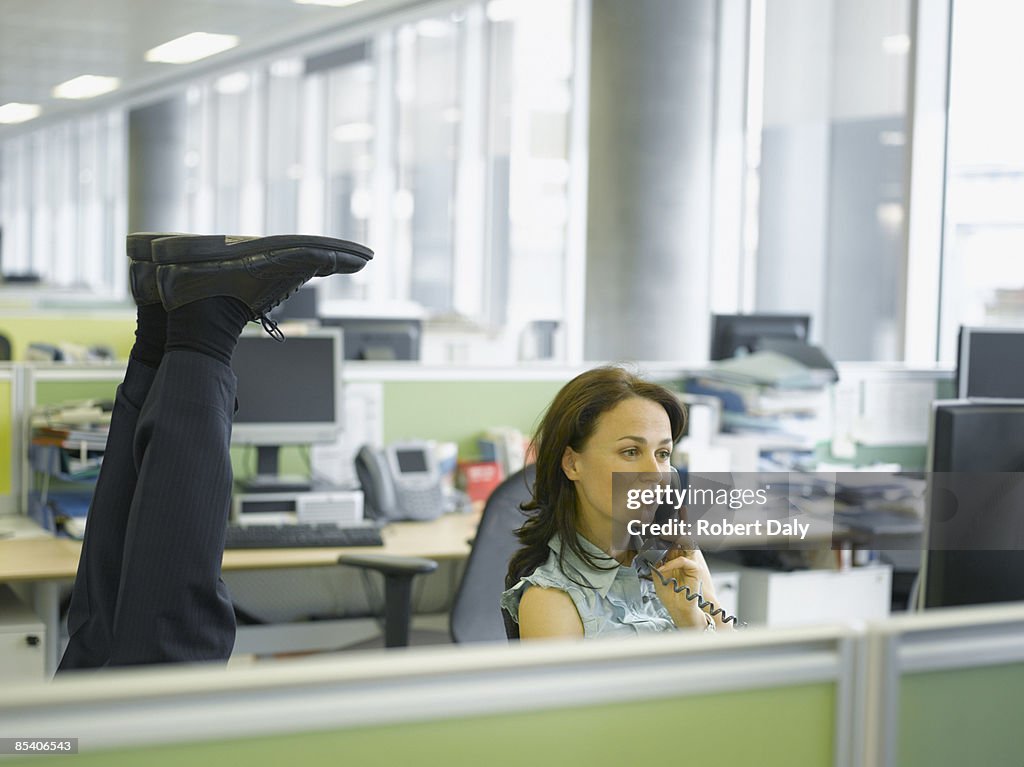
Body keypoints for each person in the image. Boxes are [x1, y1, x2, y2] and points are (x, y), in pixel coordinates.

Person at [58, 232, 372, 670]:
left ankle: (183, 324)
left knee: (120, 641)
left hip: (69, 741)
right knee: (136, 645)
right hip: (77, 740)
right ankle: (179, 318)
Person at [501, 366, 731, 639]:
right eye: (631, 452)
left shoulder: (678, 559)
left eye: (663, 453)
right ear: (572, 463)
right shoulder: (551, 601)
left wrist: (691, 620)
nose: (656, 474)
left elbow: (737, 673)